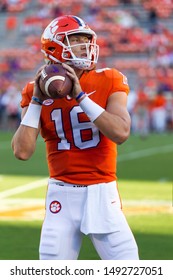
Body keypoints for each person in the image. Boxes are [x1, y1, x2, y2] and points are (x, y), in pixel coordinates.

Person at [11, 15, 139, 260]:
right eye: (76, 40)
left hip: (102, 191)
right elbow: (22, 152)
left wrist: (81, 97)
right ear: (54, 47)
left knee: (130, 270)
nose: (85, 46)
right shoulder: (33, 89)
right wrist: (37, 99)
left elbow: (121, 133)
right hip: (61, 194)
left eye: (86, 40)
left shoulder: (108, 78)